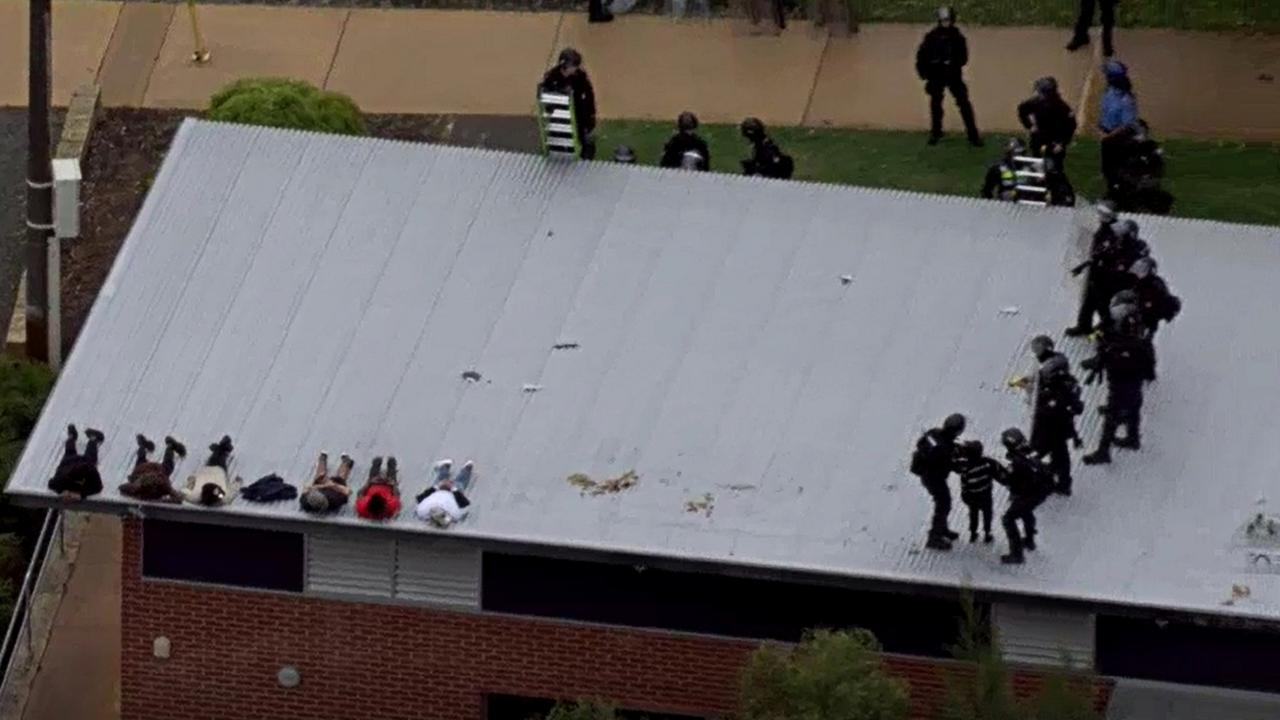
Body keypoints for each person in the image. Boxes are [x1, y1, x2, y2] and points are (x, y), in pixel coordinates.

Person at [1081, 318, 1156, 465]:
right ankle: (1133, 438)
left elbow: (1101, 362)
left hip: (1117, 387)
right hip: (1134, 386)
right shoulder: (1143, 346)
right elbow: (1149, 370)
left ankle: (1103, 451)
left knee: (1111, 418)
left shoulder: (1113, 345)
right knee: (1134, 411)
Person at [915, 6, 982, 147]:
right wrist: (925, 73)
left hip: (953, 76)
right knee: (936, 105)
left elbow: (963, 58)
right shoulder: (931, 37)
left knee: (964, 103)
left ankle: (973, 135)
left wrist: (951, 64)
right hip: (936, 76)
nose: (946, 23)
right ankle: (936, 132)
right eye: (943, 20)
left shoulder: (958, 37)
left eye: (948, 20)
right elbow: (922, 56)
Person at [909, 413, 966, 550]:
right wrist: (962, 466)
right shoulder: (944, 449)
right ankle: (934, 538)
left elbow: (922, 443)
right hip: (934, 478)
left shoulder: (934, 432)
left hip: (927, 473)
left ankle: (942, 529)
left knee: (943, 503)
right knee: (943, 504)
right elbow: (951, 465)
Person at [997, 427, 1053, 565]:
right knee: (1026, 512)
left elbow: (1009, 479)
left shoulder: (1016, 462)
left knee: (1008, 519)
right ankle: (1029, 540)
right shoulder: (1030, 452)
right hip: (1040, 490)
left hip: (1029, 493)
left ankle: (1016, 554)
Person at [1031, 352, 1084, 495]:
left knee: (1038, 454)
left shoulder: (1066, 388)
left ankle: (1056, 482)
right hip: (1050, 426)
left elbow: (1076, 408)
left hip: (1055, 428)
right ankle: (1060, 481)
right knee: (1059, 456)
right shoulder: (1054, 383)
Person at [1066, 202, 1120, 336]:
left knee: (1102, 304)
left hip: (1105, 274)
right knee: (1089, 301)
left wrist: (1089, 264)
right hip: (1096, 271)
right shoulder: (1104, 229)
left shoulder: (1113, 232)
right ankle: (1084, 326)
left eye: (1102, 214)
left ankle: (1109, 330)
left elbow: (1104, 253)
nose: (1099, 216)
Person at [540, 49, 598, 160]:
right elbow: (545, 97)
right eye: (573, 65)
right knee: (561, 145)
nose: (576, 68)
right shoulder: (552, 77)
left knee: (588, 144)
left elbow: (589, 95)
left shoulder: (580, 76)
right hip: (560, 119)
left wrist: (591, 117)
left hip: (579, 116)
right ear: (564, 65)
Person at [1017, 77, 1077, 170]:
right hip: (1039, 139)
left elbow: (1071, 126)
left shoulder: (1061, 107)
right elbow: (1022, 110)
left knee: (1054, 169)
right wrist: (1030, 126)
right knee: (1037, 165)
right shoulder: (1035, 103)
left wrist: (1062, 143)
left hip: (1055, 141)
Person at [1098, 61, 1139, 191]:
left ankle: (1120, 194)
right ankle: (1111, 191)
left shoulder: (1126, 99)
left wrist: (1108, 136)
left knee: (1118, 169)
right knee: (1107, 168)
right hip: (1106, 134)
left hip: (1119, 137)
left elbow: (1126, 124)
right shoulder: (1108, 91)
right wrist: (1101, 130)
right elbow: (1104, 112)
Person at [119, 434, 187, 503]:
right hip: (144, 470)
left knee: (143, 460)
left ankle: (145, 445)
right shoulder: (161, 484)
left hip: (147, 470)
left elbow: (178, 499)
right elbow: (121, 488)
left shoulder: (162, 484)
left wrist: (162, 501)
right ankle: (169, 446)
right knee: (142, 460)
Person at [956, 440, 999, 544]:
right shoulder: (987, 463)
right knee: (987, 514)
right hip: (985, 494)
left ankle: (973, 533)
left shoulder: (966, 466)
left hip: (972, 496)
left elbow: (964, 483)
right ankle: (987, 533)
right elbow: (995, 471)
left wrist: (964, 494)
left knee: (973, 514)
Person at [1130, 257, 1181, 343]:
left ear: (1151, 270)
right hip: (1125, 315)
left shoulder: (1156, 283)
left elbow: (1164, 299)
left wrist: (1162, 307)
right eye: (1138, 268)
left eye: (1143, 269)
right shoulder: (1131, 282)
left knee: (1142, 344)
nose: (1139, 271)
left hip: (1145, 320)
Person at [47, 424, 104, 501]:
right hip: (68, 462)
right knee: (70, 452)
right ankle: (81, 438)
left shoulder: (89, 469)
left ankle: (79, 437)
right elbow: (51, 484)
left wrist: (81, 494)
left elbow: (98, 487)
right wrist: (63, 491)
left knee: (84, 454)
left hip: (79, 463)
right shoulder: (62, 478)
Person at [182, 435, 240, 506]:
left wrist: (237, 482)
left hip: (214, 470)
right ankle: (219, 449)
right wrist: (191, 479)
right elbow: (185, 490)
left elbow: (230, 492)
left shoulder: (195, 497)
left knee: (219, 459)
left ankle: (220, 449)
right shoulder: (195, 497)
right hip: (212, 470)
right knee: (216, 459)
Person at [415, 459, 475, 528]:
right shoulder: (455, 514)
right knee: (460, 482)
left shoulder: (422, 511)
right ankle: (466, 469)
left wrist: (436, 487)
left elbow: (420, 498)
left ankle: (446, 467)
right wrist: (453, 489)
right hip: (453, 494)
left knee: (442, 480)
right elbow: (465, 504)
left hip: (439, 491)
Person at [355, 456, 402, 521]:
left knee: (376, 464)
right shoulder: (391, 506)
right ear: (385, 505)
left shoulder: (362, 507)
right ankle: (391, 462)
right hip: (388, 485)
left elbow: (359, 493)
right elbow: (397, 496)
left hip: (373, 483)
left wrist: (369, 482)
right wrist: (393, 485)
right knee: (392, 463)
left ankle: (378, 461)